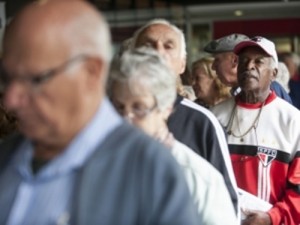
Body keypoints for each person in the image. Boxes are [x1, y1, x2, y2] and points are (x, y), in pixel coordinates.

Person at [0, 1, 199, 224]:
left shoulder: (149, 170)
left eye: (35, 79)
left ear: (91, 72)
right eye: (7, 79)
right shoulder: (7, 157)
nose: (11, 99)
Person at [108, 48, 238, 225]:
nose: (126, 119)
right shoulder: (100, 167)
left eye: (139, 108)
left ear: (166, 109)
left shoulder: (198, 178)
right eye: (119, 108)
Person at [130, 18, 239, 216]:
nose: (158, 52)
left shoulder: (204, 123)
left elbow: (226, 203)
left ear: (182, 64)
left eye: (168, 46)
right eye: (148, 45)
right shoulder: (109, 120)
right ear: (131, 57)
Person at [211, 36, 300, 225]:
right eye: (244, 61)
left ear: (274, 73)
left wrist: (271, 218)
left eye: (258, 61)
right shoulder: (214, 116)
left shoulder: (293, 120)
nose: (249, 66)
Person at [204, 34, 293, 104]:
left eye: (217, 60)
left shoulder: (270, 89)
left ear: (235, 60)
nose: (213, 66)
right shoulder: (237, 92)